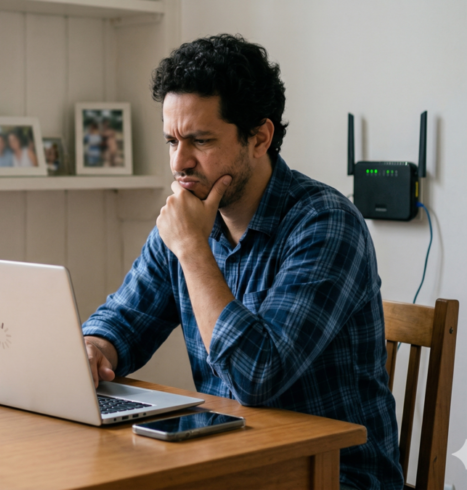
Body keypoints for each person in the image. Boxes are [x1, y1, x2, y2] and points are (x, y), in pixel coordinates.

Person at [81, 34, 402, 490]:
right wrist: (95, 347)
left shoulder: (326, 224)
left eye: (200, 140)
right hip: (232, 458)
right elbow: (126, 317)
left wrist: (193, 250)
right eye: (171, 140)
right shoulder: (191, 217)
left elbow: (259, 377)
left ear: (259, 137)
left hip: (334, 475)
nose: (180, 162)